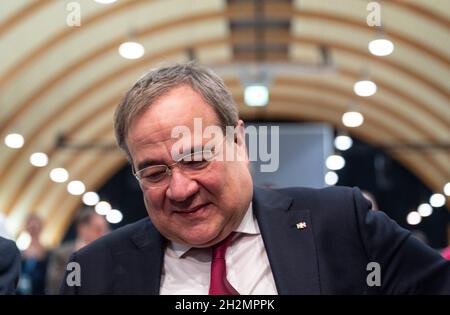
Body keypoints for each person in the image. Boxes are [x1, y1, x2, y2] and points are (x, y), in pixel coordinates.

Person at [61, 62, 450, 294]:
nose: (179, 189)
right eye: (154, 171)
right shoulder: (95, 273)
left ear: (240, 144)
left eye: (196, 158)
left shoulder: (340, 224)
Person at [46, 208, 109, 294]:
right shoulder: (61, 253)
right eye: (98, 229)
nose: (103, 234)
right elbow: (54, 287)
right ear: (82, 228)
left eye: (105, 230)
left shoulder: (108, 255)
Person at [16, 214, 49, 295]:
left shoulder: (48, 251)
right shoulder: (21, 251)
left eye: (35, 227)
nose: (33, 230)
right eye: (31, 227)